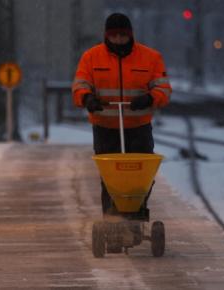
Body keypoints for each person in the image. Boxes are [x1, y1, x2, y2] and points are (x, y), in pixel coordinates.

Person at [72, 13, 171, 219]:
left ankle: (136, 210)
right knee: (110, 178)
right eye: (114, 35)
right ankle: (111, 218)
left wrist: (150, 98)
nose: (118, 40)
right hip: (105, 127)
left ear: (130, 34)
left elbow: (164, 88)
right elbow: (80, 85)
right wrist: (87, 98)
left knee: (142, 174)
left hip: (139, 126)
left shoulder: (150, 57)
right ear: (106, 35)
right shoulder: (91, 57)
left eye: (122, 35)